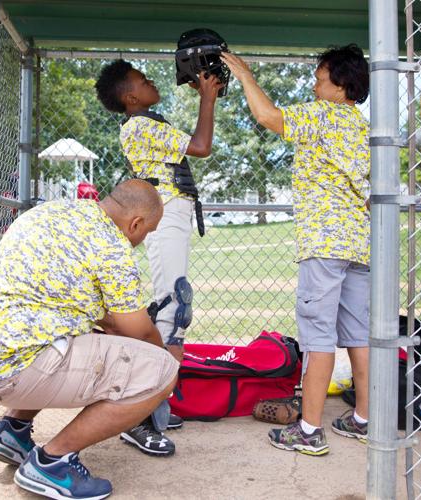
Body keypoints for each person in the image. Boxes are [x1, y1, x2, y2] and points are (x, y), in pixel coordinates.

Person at [0, 179, 178, 500]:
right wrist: (168, 366)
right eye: (148, 231)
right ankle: (52, 462)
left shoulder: (51, 212)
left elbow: (87, 312)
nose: (144, 239)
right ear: (136, 223)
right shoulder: (112, 248)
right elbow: (139, 334)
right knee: (161, 371)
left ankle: (13, 431)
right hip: (18, 369)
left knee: (84, 330)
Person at [221, 44, 371, 456]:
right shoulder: (361, 126)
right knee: (359, 333)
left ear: (342, 86)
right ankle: (363, 419)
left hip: (323, 243)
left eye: (321, 79)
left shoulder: (321, 114)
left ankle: (308, 430)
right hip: (357, 242)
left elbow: (269, 117)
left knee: (318, 336)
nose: (314, 84)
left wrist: (247, 77)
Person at [94, 59, 222, 456]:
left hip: (172, 214)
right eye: (143, 80)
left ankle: (156, 401)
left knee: (173, 305)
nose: (151, 81)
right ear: (131, 97)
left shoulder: (151, 121)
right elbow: (201, 147)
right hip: (164, 215)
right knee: (172, 307)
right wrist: (207, 98)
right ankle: (141, 416)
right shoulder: (140, 125)